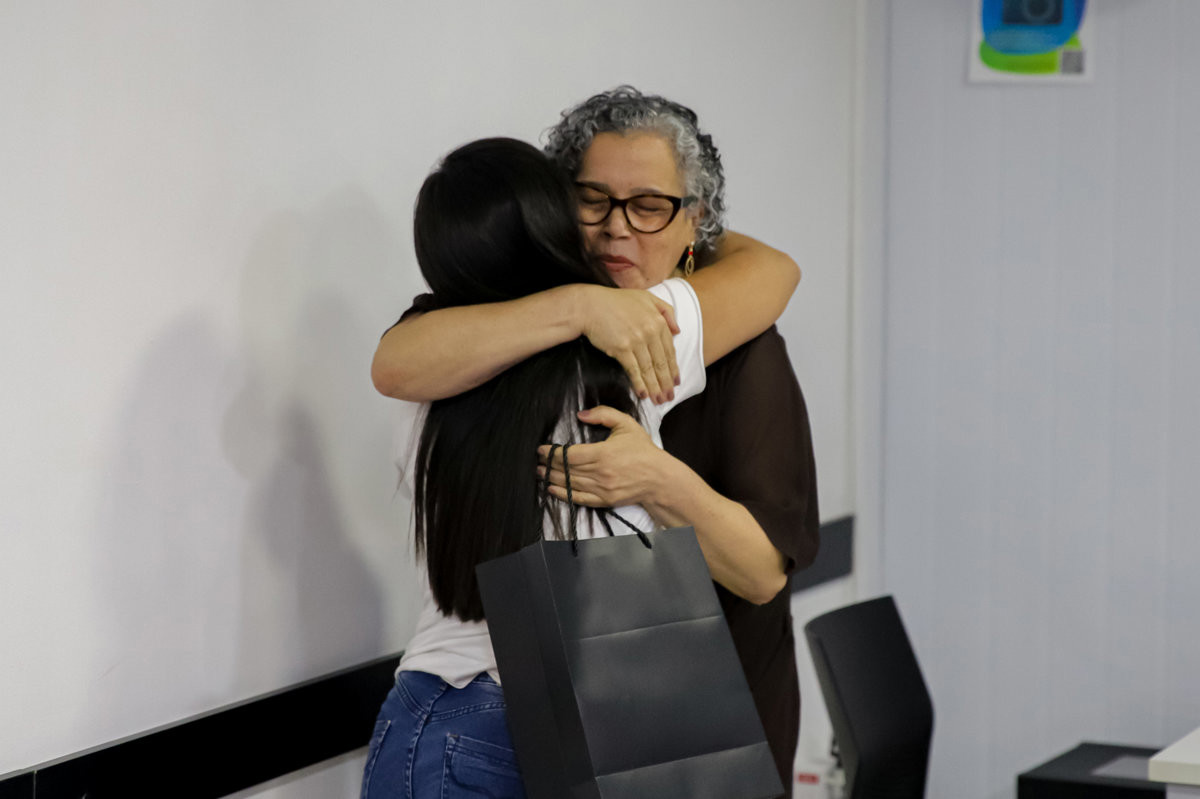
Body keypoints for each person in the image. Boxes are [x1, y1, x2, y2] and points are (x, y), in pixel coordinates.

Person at [372, 88, 818, 796]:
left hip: (441, 714)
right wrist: (583, 303)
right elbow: (776, 268)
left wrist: (653, 476)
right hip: (559, 717)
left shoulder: (480, 336)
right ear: (556, 211)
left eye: (648, 206)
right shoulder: (623, 329)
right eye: (591, 200)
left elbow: (393, 365)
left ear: (692, 221)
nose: (618, 230)